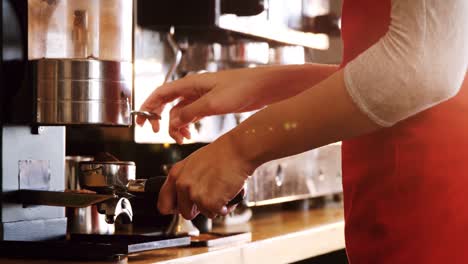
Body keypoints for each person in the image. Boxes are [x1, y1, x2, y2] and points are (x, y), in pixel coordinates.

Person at [137, 0, 468, 262]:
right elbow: (413, 69)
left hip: (436, 219)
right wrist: (261, 85)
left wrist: (238, 150)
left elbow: (423, 68)